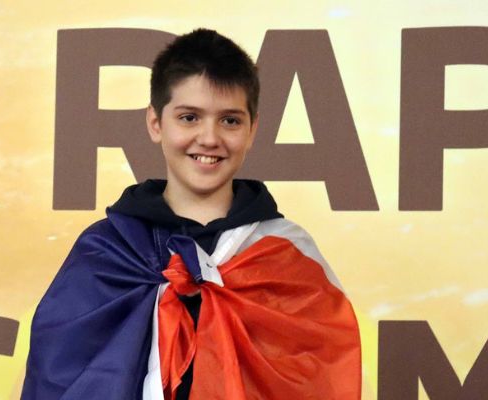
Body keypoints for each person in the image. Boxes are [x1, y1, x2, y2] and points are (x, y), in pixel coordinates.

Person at [21, 28, 361, 400]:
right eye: (189, 117)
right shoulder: (106, 251)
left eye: (230, 120)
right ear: (156, 123)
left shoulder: (286, 255)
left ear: (252, 130)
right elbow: (56, 380)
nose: (209, 138)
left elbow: (327, 380)